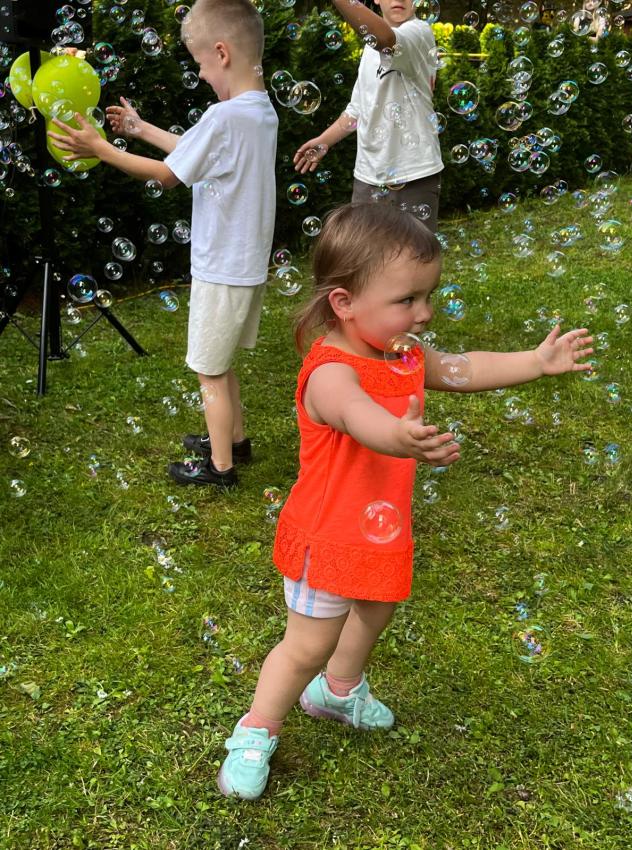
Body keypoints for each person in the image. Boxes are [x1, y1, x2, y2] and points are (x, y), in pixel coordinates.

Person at [217, 202, 594, 801]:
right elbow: (357, 415)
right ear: (344, 302)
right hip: (329, 533)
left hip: (379, 529)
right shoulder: (331, 372)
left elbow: (464, 368)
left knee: (376, 610)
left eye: (428, 296)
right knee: (308, 645)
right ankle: (257, 729)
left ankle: (338, 691)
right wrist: (401, 437)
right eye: (407, 300)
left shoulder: (406, 354)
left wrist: (536, 362)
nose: (424, 314)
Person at [48, 0, 278, 489]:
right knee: (222, 361)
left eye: (199, 63)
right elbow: (198, 151)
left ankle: (220, 468)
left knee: (208, 371)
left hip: (221, 266)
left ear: (221, 53)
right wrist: (140, 129)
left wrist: (102, 149)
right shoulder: (259, 111)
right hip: (245, 263)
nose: (201, 74)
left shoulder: (224, 116)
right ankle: (235, 440)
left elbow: (170, 175)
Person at [294, 0, 443, 230]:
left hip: (414, 174)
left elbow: (386, 40)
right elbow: (358, 108)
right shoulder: (370, 47)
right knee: (365, 253)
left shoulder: (419, 32)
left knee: (411, 253)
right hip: (368, 177)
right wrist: (324, 141)